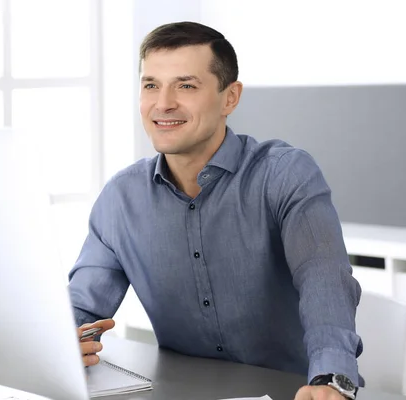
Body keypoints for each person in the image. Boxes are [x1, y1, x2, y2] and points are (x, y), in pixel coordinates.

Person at [69, 21, 363, 400]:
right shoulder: (120, 199)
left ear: (230, 97)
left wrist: (331, 378)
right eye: (151, 85)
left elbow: (324, 280)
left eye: (186, 86)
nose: (163, 103)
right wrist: (64, 341)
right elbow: (81, 307)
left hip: (292, 392)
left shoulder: (285, 174)